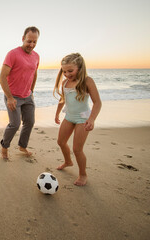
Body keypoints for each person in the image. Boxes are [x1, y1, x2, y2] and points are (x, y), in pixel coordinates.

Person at [53, 53, 102, 186]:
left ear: (79, 68)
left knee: (77, 149)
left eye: (70, 71)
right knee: (61, 142)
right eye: (64, 71)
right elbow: (63, 100)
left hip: (83, 118)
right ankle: (68, 161)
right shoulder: (65, 83)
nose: (67, 74)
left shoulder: (87, 81)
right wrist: (57, 114)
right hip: (69, 117)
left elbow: (97, 102)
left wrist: (91, 119)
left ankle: (83, 174)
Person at [0, 26, 40, 159]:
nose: (31, 44)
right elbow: (2, 77)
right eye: (29, 41)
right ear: (23, 38)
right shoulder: (13, 54)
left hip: (28, 96)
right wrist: (10, 98)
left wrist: (31, 91)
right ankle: (5, 147)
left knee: (30, 122)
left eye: (34, 42)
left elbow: (34, 74)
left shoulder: (36, 56)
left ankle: (23, 146)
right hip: (13, 96)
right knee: (15, 124)